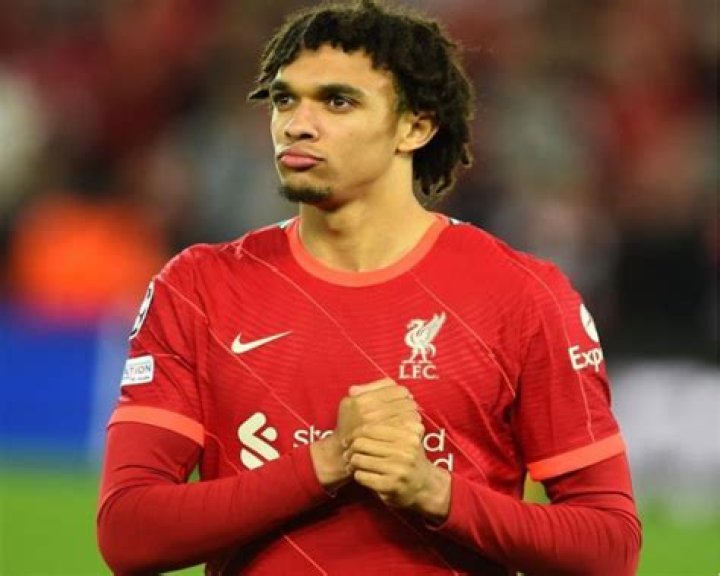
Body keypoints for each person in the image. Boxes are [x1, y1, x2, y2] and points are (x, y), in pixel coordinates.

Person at [97, 1, 642, 574]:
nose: (296, 124)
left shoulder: (523, 296)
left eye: (338, 101)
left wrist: (436, 493)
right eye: (284, 99)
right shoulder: (198, 288)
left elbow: (609, 548)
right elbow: (129, 532)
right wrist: (325, 463)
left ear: (416, 126)